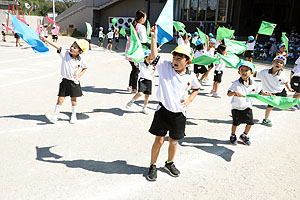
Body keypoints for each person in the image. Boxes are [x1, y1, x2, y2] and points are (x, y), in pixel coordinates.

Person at [146, 26, 201, 181]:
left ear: (188, 62)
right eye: (174, 58)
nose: (175, 61)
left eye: (179, 59)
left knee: (174, 141)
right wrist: (153, 37)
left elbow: (196, 88)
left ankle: (169, 163)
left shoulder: (190, 76)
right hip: (163, 111)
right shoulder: (165, 67)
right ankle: (152, 165)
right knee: (159, 140)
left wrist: (190, 99)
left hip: (179, 114)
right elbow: (154, 55)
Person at [40, 36, 89, 124]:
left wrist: (79, 75)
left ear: (80, 52)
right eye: (72, 46)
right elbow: (56, 46)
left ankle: (73, 116)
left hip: (74, 83)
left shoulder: (80, 60)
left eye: (75, 47)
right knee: (60, 99)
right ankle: (54, 117)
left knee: (73, 100)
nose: (71, 48)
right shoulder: (65, 54)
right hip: (65, 81)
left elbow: (85, 68)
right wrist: (46, 39)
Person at [228, 61, 270, 145]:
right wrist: (234, 93)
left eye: (246, 70)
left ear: (251, 72)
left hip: (247, 107)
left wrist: (268, 94)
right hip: (236, 107)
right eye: (242, 70)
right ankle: (233, 135)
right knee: (235, 123)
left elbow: (259, 92)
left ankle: (244, 135)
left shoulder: (254, 84)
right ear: (238, 72)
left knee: (250, 122)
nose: (244, 72)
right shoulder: (236, 83)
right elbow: (228, 93)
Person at [254, 56, 293, 126]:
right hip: (271, 94)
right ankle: (266, 119)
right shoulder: (264, 72)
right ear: (272, 62)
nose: (278, 63)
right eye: (277, 62)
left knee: (285, 102)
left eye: (281, 63)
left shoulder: (282, 74)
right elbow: (254, 73)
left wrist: (289, 88)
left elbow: (285, 82)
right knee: (270, 107)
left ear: (283, 66)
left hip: (281, 91)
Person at [126, 50, 156, 114]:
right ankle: (131, 102)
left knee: (147, 96)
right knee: (140, 93)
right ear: (145, 58)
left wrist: (153, 74)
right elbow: (136, 64)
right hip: (142, 80)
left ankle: (144, 108)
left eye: (151, 59)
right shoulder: (141, 64)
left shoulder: (152, 66)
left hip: (149, 81)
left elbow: (153, 72)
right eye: (149, 59)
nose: (150, 61)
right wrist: (135, 58)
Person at [126, 9, 148, 93]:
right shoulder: (141, 27)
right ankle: (134, 87)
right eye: (145, 17)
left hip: (130, 50)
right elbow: (143, 41)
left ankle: (131, 86)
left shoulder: (134, 25)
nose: (145, 19)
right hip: (137, 52)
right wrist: (151, 45)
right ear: (142, 18)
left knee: (134, 69)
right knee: (136, 70)